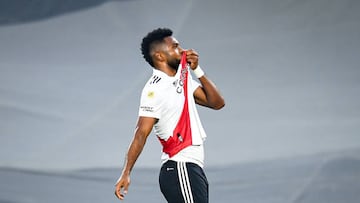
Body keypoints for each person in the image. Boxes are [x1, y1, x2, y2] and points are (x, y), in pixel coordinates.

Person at [114, 27, 225, 203]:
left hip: (191, 168)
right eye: (175, 47)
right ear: (160, 56)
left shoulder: (181, 78)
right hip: (180, 166)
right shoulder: (154, 89)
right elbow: (140, 133)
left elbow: (217, 103)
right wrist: (126, 172)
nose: (182, 51)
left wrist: (197, 70)